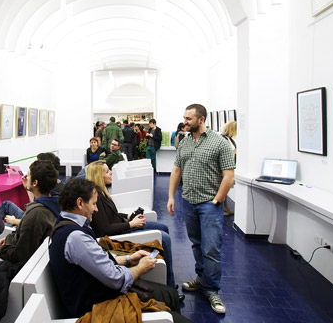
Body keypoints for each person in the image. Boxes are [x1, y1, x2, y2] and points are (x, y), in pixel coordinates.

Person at [49, 177, 188, 322]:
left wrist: (129, 259)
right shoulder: (76, 237)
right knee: (170, 299)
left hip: (97, 295)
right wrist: (141, 268)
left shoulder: (65, 227)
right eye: (94, 204)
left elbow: (95, 262)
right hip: (97, 304)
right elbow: (115, 279)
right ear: (80, 203)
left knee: (169, 295)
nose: (96, 209)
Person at [167, 104, 235, 315]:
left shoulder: (219, 142)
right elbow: (176, 170)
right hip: (188, 202)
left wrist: (217, 200)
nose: (185, 122)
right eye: (184, 118)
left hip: (209, 205)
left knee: (211, 249)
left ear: (201, 119)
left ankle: (212, 289)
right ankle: (201, 278)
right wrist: (171, 196)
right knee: (197, 244)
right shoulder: (185, 142)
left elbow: (229, 175)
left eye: (189, 119)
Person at [85, 161, 178, 291]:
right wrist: (131, 224)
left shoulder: (102, 194)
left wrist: (128, 216)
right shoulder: (98, 199)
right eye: (107, 171)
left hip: (123, 227)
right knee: (165, 239)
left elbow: (113, 214)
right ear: (99, 176)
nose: (111, 173)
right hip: (118, 235)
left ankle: (169, 279)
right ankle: (171, 286)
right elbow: (104, 229)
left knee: (162, 227)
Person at [0, 160, 61, 263]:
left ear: (35, 183)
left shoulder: (36, 215)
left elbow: (20, 256)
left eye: (29, 175)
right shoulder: (55, 201)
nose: (26, 177)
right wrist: (9, 239)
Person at [221, 120, 237, 216]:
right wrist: (233, 152)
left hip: (229, 167)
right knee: (222, 189)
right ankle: (222, 209)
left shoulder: (230, 139)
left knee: (226, 189)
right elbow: (224, 153)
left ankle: (226, 207)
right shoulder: (223, 139)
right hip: (223, 168)